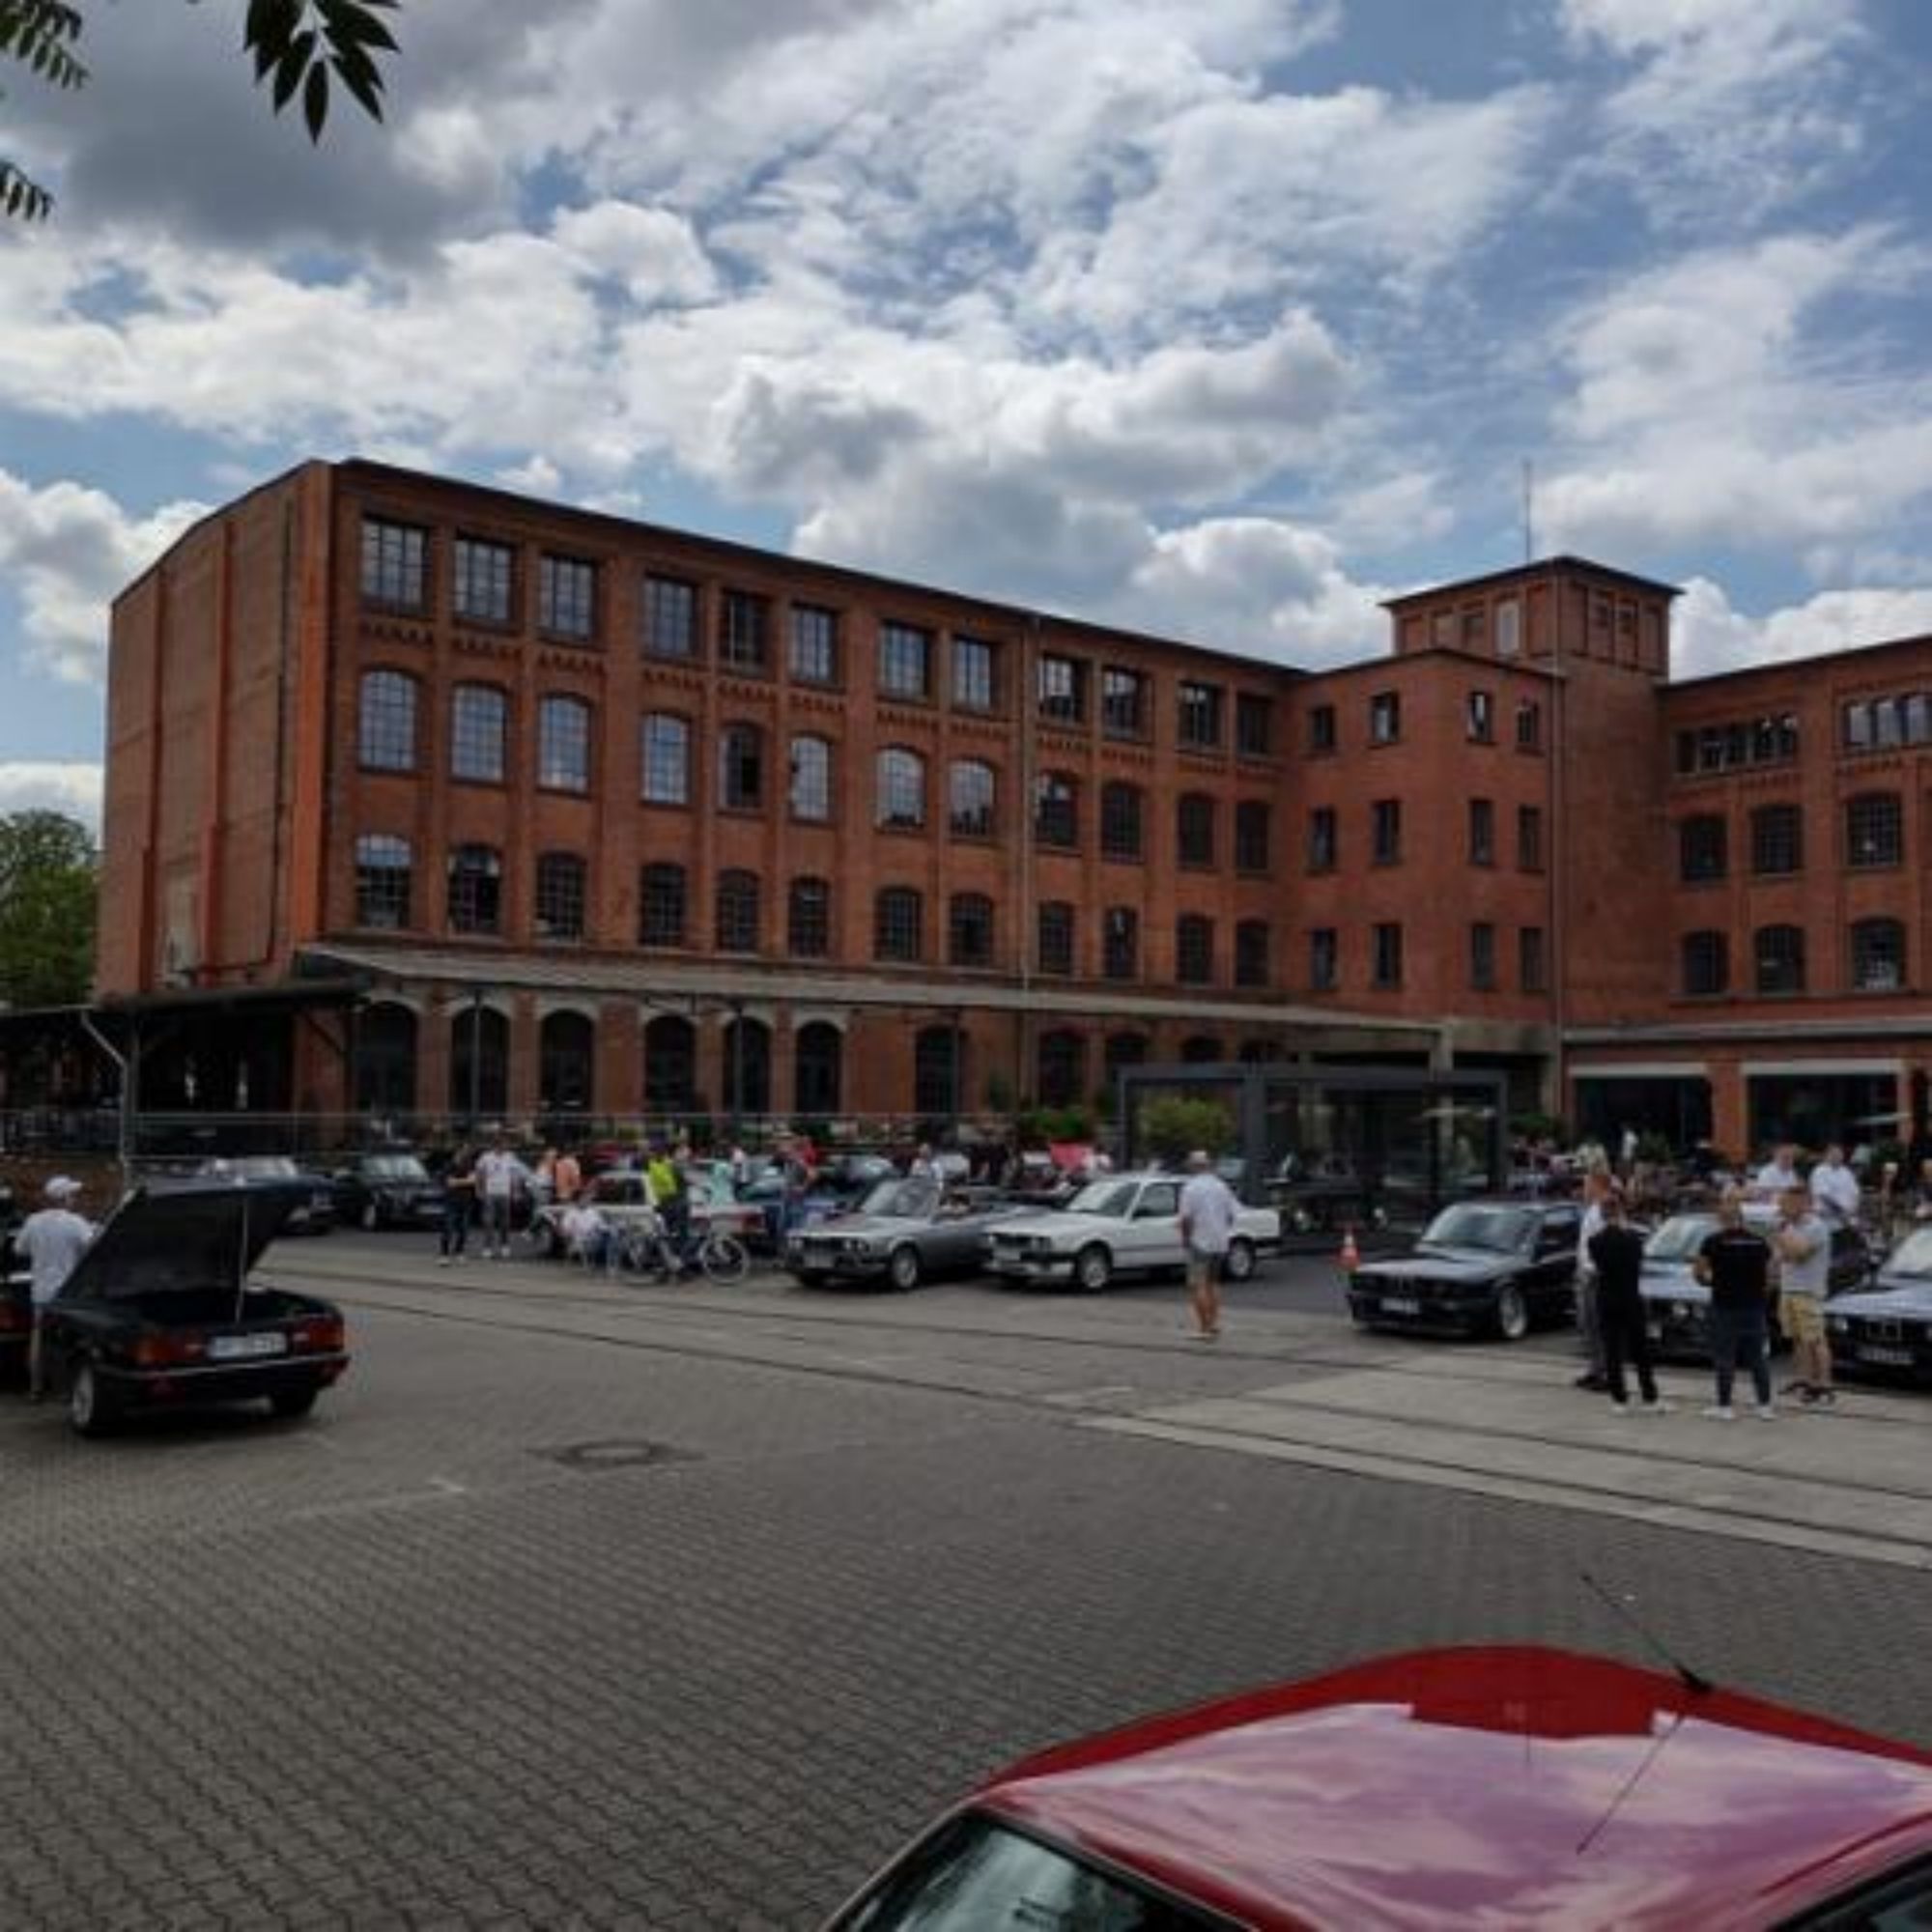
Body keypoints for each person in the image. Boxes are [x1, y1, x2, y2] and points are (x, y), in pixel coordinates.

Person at [1693, 1187, 1776, 1419]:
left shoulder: (1712, 1242)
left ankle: (1725, 1407)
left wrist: (1712, 1282)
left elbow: (1698, 1273)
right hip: (1754, 1307)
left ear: (1721, 1219)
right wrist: (1758, 1293)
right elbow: (1770, 1278)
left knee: (1725, 1358)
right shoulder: (1760, 1242)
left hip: (1724, 1306)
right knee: (1757, 1358)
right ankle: (1764, 1406)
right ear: (1742, 1218)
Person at [17, 1176, 96, 1401]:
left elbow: (19, 1249)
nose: (74, 1198)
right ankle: (64, 1390)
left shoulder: (33, 1221)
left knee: (39, 1341)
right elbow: (92, 1247)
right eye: (72, 1195)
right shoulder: (76, 1222)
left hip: (41, 1293)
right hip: (66, 1295)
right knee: (66, 1342)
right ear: (64, 1198)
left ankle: (35, 1388)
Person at [1587, 1190, 1664, 1414]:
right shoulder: (1633, 1240)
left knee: (1612, 1351)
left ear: (1602, 1215)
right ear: (1620, 1212)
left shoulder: (1594, 1242)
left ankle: (1619, 1400)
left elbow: (1596, 1267)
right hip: (1630, 1297)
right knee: (1640, 1350)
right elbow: (1638, 1265)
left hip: (1606, 1299)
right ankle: (1649, 1397)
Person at [1775, 1182, 1835, 1407]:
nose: (1781, 1207)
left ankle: (1823, 1385)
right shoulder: (1789, 1226)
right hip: (1789, 1288)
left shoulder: (1816, 1227)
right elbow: (1781, 1257)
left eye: (1786, 1203)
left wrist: (1782, 1236)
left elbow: (1799, 1253)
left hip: (1808, 1291)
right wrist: (1785, 1243)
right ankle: (1803, 1379)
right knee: (1798, 1339)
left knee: (1816, 1340)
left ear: (1801, 1203)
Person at [1178, 1150, 1239, 1341]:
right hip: (1219, 1242)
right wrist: (1220, 1229)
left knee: (1198, 1285)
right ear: (1208, 1165)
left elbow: (1186, 1219)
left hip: (1200, 1241)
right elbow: (1231, 1216)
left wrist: (1185, 1238)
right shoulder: (1221, 1186)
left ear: (1193, 1166)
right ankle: (1214, 1324)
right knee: (1214, 1283)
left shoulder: (1190, 1188)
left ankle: (1204, 1328)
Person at [1573, 1168, 1614, 1391]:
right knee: (1589, 1325)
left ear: (1598, 1185)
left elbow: (1606, 1246)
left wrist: (1595, 1270)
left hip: (1597, 1276)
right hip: (1587, 1273)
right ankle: (1595, 1369)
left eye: (1587, 1184)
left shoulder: (1605, 1210)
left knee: (1600, 1326)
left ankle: (1606, 1374)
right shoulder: (1591, 1210)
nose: (1584, 1189)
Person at [473, 1136, 519, 1259]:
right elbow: (479, 1173)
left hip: (505, 1192)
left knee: (505, 1222)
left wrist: (515, 1190)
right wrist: (479, 1189)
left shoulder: (510, 1157)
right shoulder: (486, 1157)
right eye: (501, 1145)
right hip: (490, 1192)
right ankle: (487, 1247)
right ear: (495, 1146)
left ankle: (504, 1245)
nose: (504, 1147)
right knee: (489, 1221)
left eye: (505, 1145)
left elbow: (514, 1175)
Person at [439, 1142, 476, 1264]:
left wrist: (458, 1181)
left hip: (466, 1201)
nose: (467, 1152)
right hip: (451, 1201)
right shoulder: (449, 1165)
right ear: (458, 1151)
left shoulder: (470, 1165)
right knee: (448, 1228)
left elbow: (473, 1181)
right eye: (465, 1150)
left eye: (468, 1150)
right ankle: (444, 1254)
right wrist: (465, 1181)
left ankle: (459, 1252)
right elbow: (449, 1182)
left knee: (464, 1229)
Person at [1807, 1143, 1859, 1227]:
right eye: (1833, 1154)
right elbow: (1824, 1196)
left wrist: (1853, 1210)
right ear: (1827, 1155)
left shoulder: (1847, 1172)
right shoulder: (1819, 1171)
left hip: (1848, 1216)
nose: (1837, 1156)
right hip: (1827, 1216)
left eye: (1839, 1154)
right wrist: (1841, 1212)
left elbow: (1855, 1193)